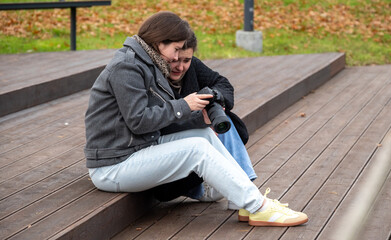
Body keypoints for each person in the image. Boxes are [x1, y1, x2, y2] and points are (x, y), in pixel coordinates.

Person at [84, 11, 308, 227]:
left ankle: (249, 203)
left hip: (138, 148)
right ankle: (259, 208)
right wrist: (185, 105)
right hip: (113, 166)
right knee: (196, 149)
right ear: (158, 42)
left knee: (204, 135)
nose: (177, 58)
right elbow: (138, 120)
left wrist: (196, 113)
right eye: (176, 49)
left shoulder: (148, 63)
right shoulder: (127, 66)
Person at [150, 32, 257, 213]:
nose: (180, 66)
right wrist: (197, 121)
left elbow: (223, 83)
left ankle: (246, 187)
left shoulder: (192, 67)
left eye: (186, 60)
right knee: (207, 124)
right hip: (178, 175)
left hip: (204, 173)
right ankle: (247, 194)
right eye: (175, 60)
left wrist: (215, 96)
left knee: (221, 116)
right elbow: (161, 125)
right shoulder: (153, 77)